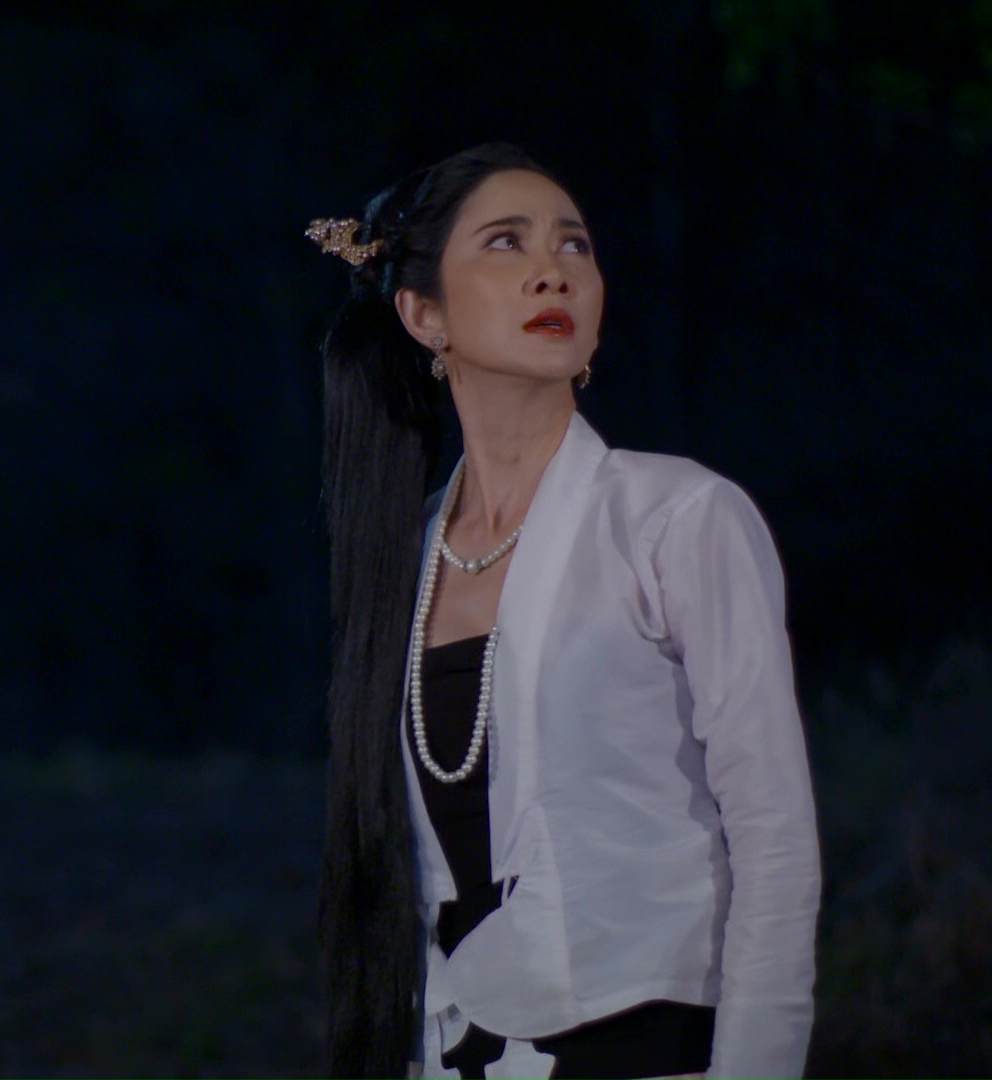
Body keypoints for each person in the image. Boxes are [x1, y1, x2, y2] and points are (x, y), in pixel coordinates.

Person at [311, 144, 820, 1080]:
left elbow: (774, 834)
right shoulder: (403, 556)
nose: (555, 271)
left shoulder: (676, 517)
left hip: (650, 1046)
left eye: (575, 245)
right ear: (423, 314)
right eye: (507, 243)